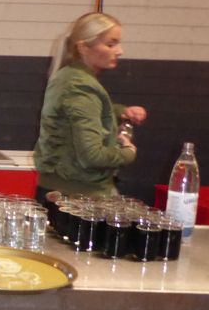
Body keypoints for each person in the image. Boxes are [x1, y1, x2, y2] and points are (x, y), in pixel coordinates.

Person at [33, 12, 147, 200]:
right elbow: (92, 156)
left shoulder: (68, 76)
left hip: (60, 190)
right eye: (111, 44)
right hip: (77, 198)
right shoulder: (81, 86)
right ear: (83, 47)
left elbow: (79, 113)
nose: (120, 51)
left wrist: (121, 112)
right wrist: (128, 153)